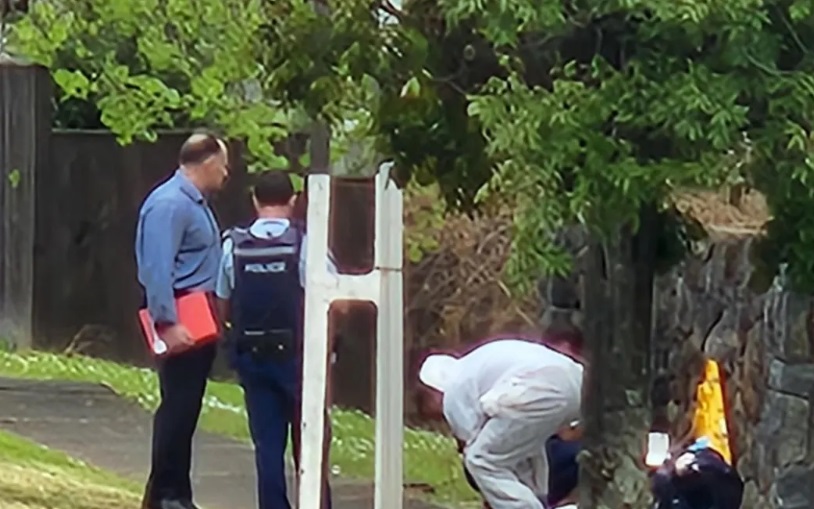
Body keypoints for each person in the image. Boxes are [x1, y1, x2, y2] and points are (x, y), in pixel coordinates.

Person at [215, 171, 335, 509]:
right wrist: (326, 350)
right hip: (299, 358)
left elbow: (222, 299)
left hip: (253, 358)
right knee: (310, 442)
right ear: (293, 201)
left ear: (255, 201)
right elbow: (332, 299)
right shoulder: (305, 245)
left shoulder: (233, 245)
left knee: (267, 446)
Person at [135, 132, 230, 509]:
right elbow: (156, 267)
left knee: (186, 406)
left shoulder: (195, 203)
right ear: (206, 163)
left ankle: (173, 490)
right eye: (223, 164)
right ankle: (167, 494)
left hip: (200, 316)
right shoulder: (169, 205)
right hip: (181, 316)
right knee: (177, 405)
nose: (226, 173)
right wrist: (167, 321)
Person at [416, 333, 585, 509]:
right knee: (524, 450)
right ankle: (538, 499)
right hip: (576, 384)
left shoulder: (454, 392)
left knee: (480, 460)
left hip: (540, 391)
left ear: (434, 391)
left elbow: (472, 442)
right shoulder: (476, 366)